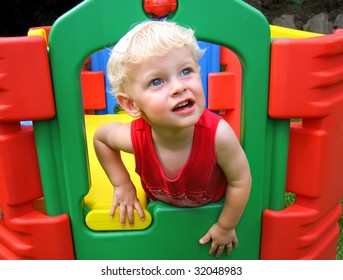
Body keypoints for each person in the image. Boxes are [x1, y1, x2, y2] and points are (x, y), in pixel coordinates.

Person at [93, 20, 252, 257]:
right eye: (157, 81)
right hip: (161, 217)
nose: (178, 87)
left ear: (199, 73)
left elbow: (241, 180)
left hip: (208, 213)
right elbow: (101, 138)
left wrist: (226, 225)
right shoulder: (135, 137)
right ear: (131, 104)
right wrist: (122, 184)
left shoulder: (218, 135)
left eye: (186, 71)